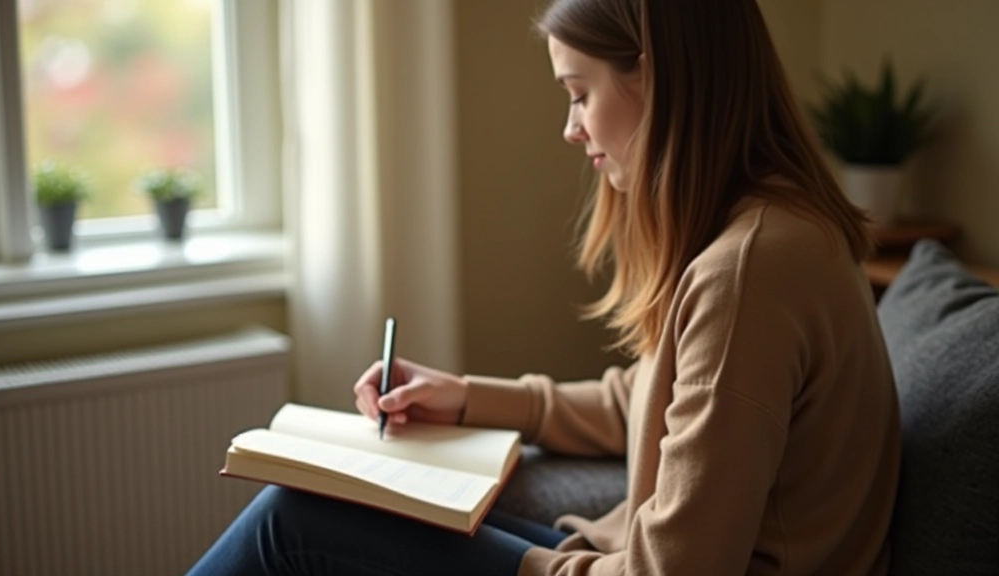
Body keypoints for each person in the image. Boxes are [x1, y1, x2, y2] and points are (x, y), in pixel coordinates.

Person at [187, 0, 900, 573]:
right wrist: (465, 397)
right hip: (616, 551)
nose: (571, 128)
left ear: (656, 79)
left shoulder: (749, 271)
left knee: (296, 519)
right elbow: (652, 408)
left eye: (580, 94)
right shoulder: (773, 232)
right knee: (351, 507)